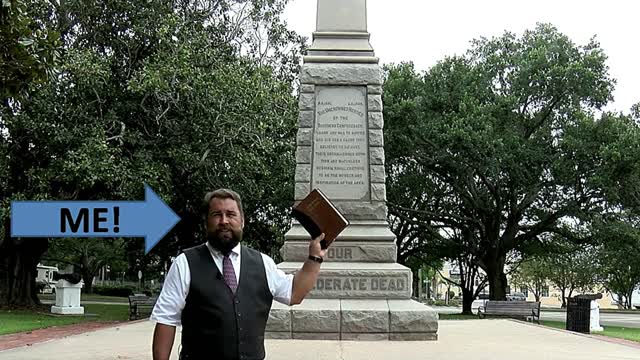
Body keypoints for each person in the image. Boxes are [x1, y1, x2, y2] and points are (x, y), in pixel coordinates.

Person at [151, 189, 326, 360]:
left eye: (231, 214)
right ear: (206, 222)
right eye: (216, 215)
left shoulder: (263, 263)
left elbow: (294, 293)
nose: (224, 221)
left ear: (242, 221)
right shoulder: (184, 263)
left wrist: (314, 258)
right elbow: (166, 319)